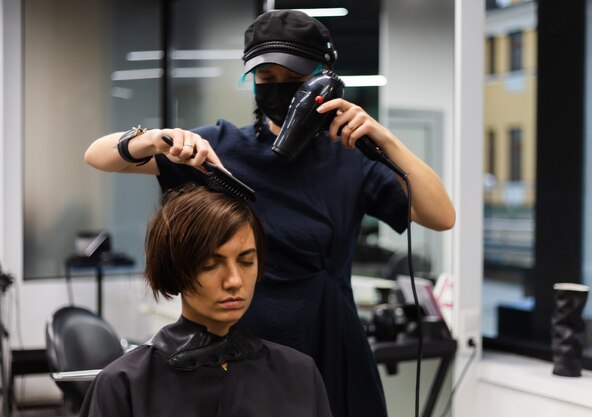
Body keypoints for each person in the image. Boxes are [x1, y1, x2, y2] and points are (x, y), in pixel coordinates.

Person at [84, 9, 455, 417]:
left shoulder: (351, 161)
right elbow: (98, 156)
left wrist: (382, 137)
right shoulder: (219, 148)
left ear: (324, 79)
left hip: (331, 342)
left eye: (292, 79)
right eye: (266, 80)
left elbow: (441, 215)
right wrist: (156, 139)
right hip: (241, 345)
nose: (278, 90)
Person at [79, 183, 333, 417]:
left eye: (246, 262)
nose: (234, 280)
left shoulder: (298, 373)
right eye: (211, 265)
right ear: (174, 269)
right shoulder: (123, 384)